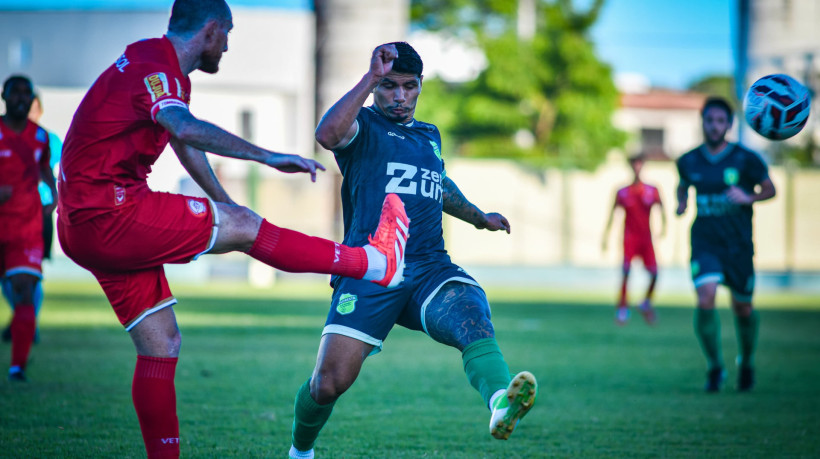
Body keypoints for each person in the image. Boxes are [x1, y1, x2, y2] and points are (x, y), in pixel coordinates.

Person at [57, 1, 408, 457]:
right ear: (209, 31)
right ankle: (373, 262)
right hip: (109, 213)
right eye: (227, 33)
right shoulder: (157, 71)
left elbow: (180, 138)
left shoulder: (153, 62)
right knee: (245, 229)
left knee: (162, 344)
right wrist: (265, 156)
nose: (227, 44)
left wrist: (224, 204)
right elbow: (183, 125)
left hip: (81, 224)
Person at [287, 42, 537, 459]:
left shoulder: (429, 135)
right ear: (376, 88)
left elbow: (438, 184)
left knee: (471, 311)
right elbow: (326, 135)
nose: (399, 96)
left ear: (420, 87)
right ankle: (300, 452)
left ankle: (499, 402)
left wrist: (479, 217)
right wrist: (368, 79)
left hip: (427, 267)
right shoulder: (362, 125)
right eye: (388, 87)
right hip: (372, 269)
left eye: (408, 86)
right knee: (328, 383)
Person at [676, 96, 775, 393]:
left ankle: (746, 362)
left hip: (738, 245)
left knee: (742, 308)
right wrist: (681, 202)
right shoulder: (688, 160)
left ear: (729, 125)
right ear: (703, 123)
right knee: (705, 297)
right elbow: (683, 184)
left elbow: (770, 189)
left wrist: (749, 197)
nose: (715, 126)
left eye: (721, 121)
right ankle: (715, 367)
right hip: (705, 241)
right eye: (710, 120)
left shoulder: (746, 159)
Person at [0, 75, 58, 381]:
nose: (22, 98)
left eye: (27, 93)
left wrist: (55, 193)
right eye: (16, 93)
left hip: (26, 225)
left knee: (25, 290)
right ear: (4, 96)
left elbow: (44, 167)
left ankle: (17, 366)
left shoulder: (41, 137)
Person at [602, 154, 665, 325]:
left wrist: (664, 228)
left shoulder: (652, 190)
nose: (637, 167)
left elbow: (662, 209)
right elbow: (612, 214)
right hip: (630, 238)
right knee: (626, 272)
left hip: (646, 238)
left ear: (643, 165)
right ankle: (622, 308)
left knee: (654, 273)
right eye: (634, 164)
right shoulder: (622, 192)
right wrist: (606, 237)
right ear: (630, 166)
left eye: (639, 164)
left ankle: (646, 302)